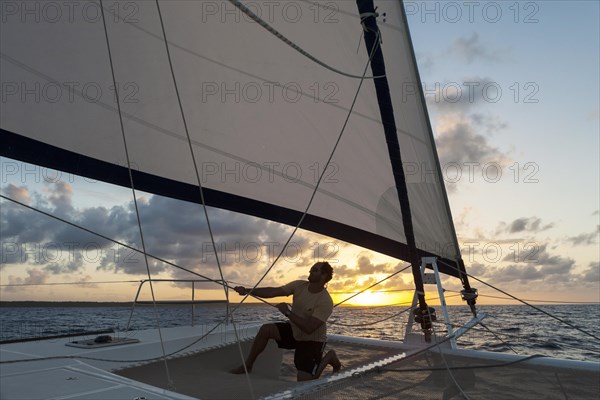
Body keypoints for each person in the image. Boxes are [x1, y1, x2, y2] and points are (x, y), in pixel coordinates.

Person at [230, 261, 341, 381]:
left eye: (314, 270)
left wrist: (288, 313)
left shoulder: (325, 301)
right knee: (266, 330)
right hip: (294, 331)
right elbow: (273, 292)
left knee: (305, 381)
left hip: (312, 340)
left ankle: (330, 356)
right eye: (311, 269)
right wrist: (248, 291)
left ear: (324, 276)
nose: (310, 271)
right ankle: (247, 366)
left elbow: (309, 329)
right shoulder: (299, 285)